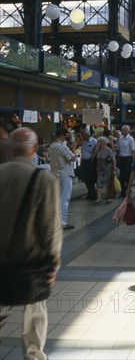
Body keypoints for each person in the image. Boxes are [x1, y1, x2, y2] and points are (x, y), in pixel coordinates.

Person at [0, 127, 62, 360]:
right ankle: (33, 355)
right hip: (32, 263)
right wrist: (54, 262)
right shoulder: (43, 179)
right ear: (35, 149)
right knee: (35, 312)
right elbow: (51, 228)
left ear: (11, 148)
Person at [48, 127, 77, 230]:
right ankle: (62, 222)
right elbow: (73, 158)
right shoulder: (61, 146)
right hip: (64, 175)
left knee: (56, 199)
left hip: (55, 174)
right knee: (64, 199)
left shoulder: (51, 146)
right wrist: (73, 148)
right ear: (62, 135)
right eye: (65, 136)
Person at [95, 136, 117, 203]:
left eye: (101, 142)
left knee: (108, 183)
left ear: (104, 143)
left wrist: (114, 169)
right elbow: (98, 160)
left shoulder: (108, 150)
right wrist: (97, 167)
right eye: (99, 142)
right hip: (101, 169)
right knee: (98, 182)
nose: (100, 144)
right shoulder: (99, 150)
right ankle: (99, 198)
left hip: (108, 168)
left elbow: (113, 160)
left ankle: (109, 197)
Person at [116, 125, 135, 197]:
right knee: (121, 176)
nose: (123, 131)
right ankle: (123, 192)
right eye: (122, 130)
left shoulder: (131, 139)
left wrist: (133, 161)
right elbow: (118, 148)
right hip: (121, 158)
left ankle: (128, 190)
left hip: (128, 158)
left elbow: (132, 150)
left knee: (128, 176)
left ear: (128, 131)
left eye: (125, 130)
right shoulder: (120, 138)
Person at [79, 129, 98, 200]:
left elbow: (95, 151)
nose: (82, 137)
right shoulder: (84, 142)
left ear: (87, 135)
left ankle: (93, 194)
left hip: (90, 161)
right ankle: (90, 192)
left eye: (82, 135)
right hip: (84, 161)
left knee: (90, 179)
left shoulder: (94, 141)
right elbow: (83, 152)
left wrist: (92, 161)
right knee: (85, 178)